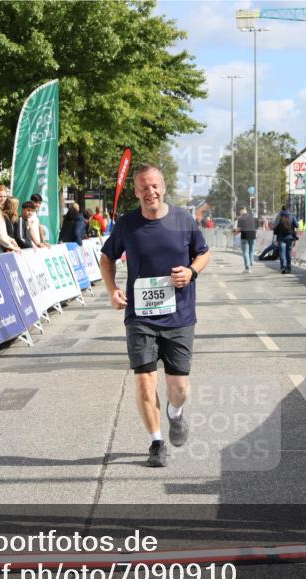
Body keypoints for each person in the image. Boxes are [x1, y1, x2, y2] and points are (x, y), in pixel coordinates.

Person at [99, 164, 211, 468]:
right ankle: (156, 441)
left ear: (164, 187)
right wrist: (112, 291)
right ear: (136, 192)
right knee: (145, 382)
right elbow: (107, 257)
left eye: (155, 186)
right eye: (144, 188)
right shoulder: (127, 224)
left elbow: (204, 252)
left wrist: (190, 272)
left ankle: (175, 414)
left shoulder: (182, 220)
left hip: (180, 316)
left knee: (179, 388)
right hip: (140, 317)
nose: (151, 192)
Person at [273, 206, 298, 274]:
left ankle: (283, 267)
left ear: (282, 209)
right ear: (288, 209)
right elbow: (296, 225)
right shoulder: (292, 215)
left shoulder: (279, 215)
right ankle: (289, 268)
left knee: (282, 252)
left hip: (280, 237)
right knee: (288, 253)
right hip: (289, 236)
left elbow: (274, 225)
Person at [234, 206, 258, 273]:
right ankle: (250, 263)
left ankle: (247, 267)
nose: (239, 213)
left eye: (239, 211)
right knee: (251, 251)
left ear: (242, 210)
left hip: (245, 236)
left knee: (245, 252)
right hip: (253, 235)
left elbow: (239, 229)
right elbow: (255, 226)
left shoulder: (241, 218)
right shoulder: (252, 217)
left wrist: (234, 232)